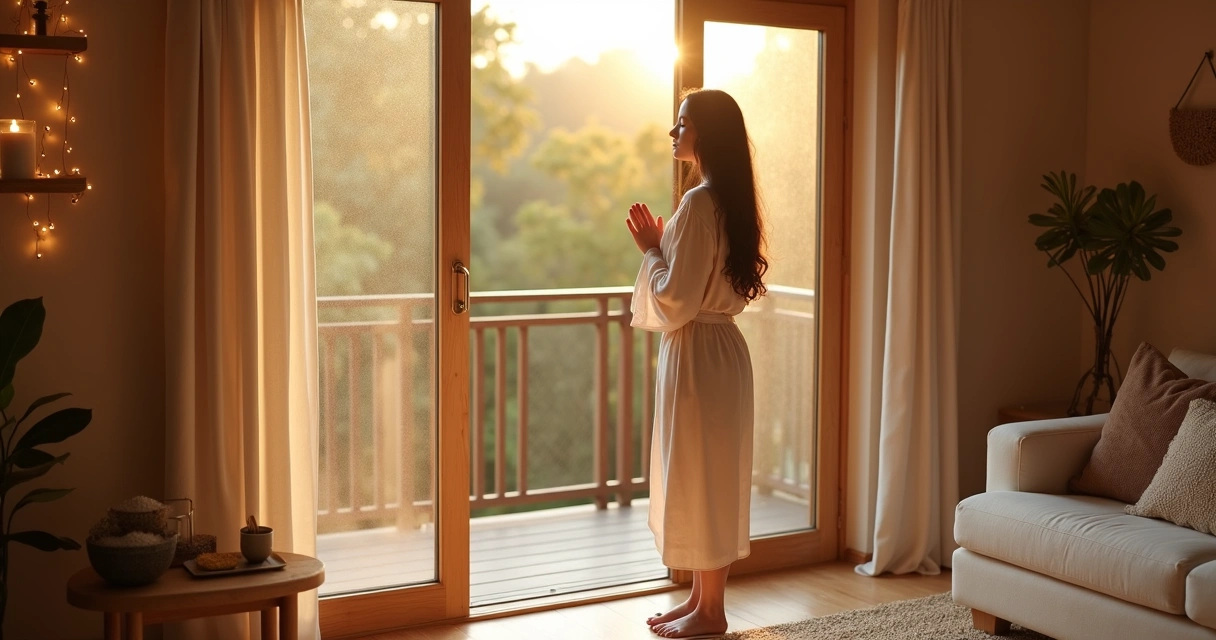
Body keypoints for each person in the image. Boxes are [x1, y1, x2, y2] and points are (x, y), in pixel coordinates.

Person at [625, 88, 767, 640]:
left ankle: (712, 613)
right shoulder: (731, 200)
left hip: (698, 356)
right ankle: (701, 601)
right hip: (723, 352)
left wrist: (651, 248)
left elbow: (678, 299)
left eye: (682, 123)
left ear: (705, 134)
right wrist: (667, 247)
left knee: (699, 476)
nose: (673, 131)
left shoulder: (699, 204)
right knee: (712, 477)